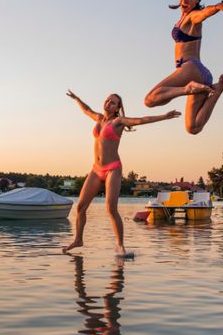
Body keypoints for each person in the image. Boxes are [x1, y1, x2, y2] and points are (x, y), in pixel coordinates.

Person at [63, 90, 181, 257]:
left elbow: (141, 120)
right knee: (81, 206)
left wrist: (164, 116)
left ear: (118, 107)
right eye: (107, 100)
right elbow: (86, 109)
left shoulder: (118, 121)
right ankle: (78, 240)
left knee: (111, 208)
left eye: (112, 102)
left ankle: (120, 246)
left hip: (113, 168)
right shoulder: (98, 118)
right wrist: (76, 99)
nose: (108, 103)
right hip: (96, 169)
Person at [143, 0, 223, 134]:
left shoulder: (193, 17)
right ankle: (217, 90)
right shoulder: (184, 10)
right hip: (202, 76)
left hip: (191, 68)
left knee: (150, 99)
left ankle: (187, 89)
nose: (184, 0)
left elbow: (204, 14)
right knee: (193, 127)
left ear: (197, 0)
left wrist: (218, 7)